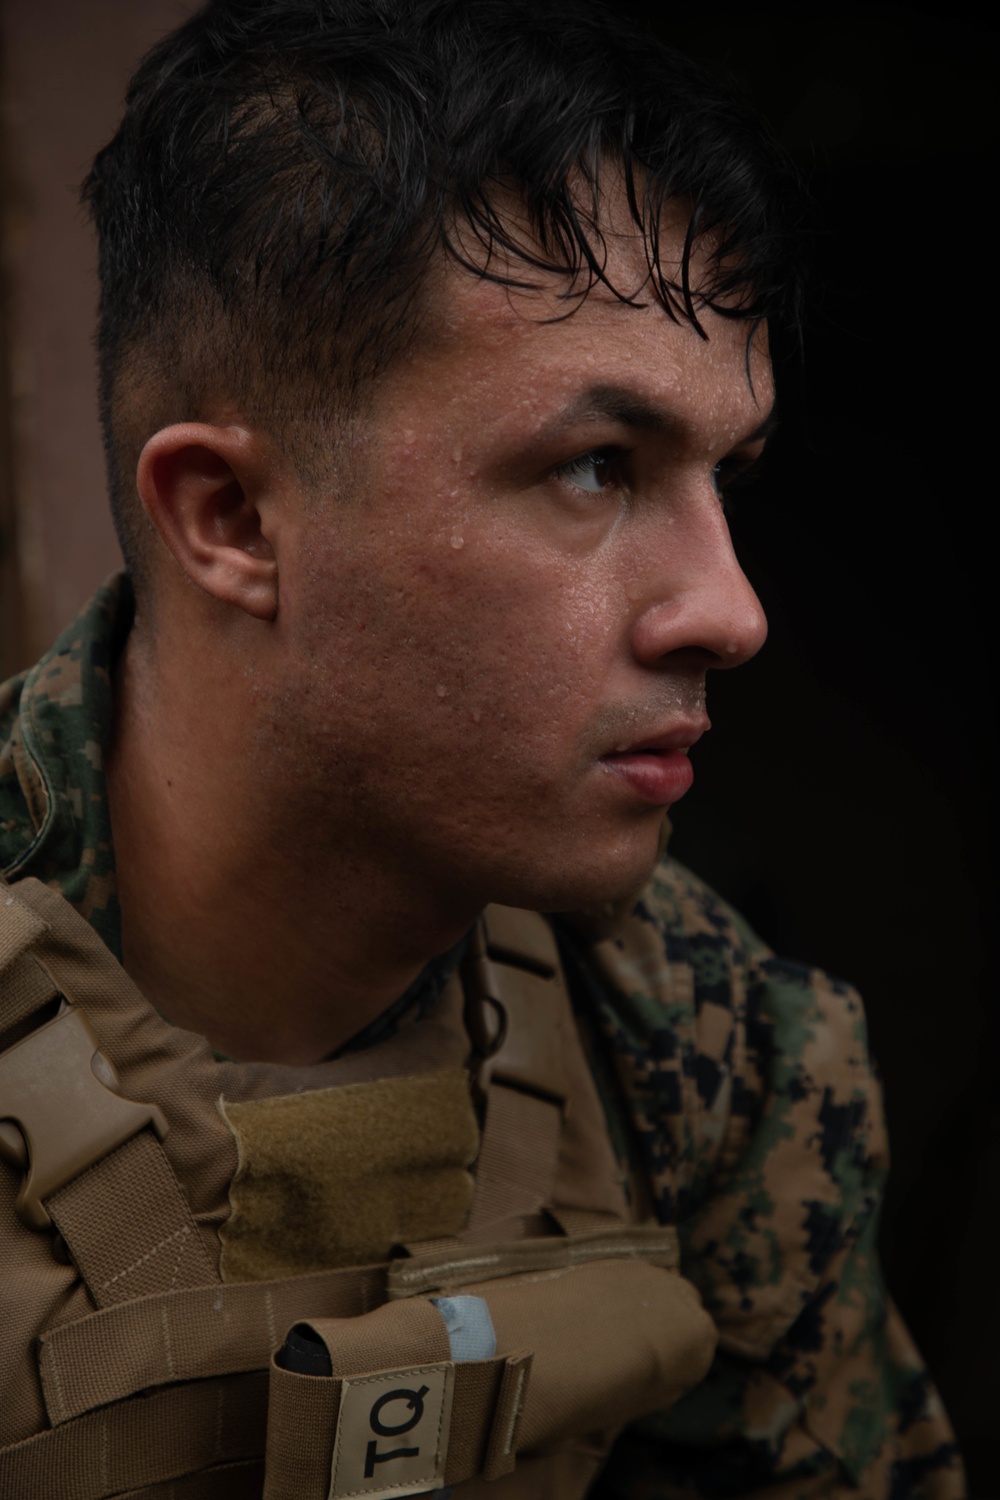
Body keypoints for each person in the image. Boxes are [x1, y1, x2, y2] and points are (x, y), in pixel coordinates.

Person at [0, 1, 963, 1496]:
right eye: (597, 467)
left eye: (726, 476)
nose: (733, 609)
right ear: (234, 521)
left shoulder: (711, 1050)